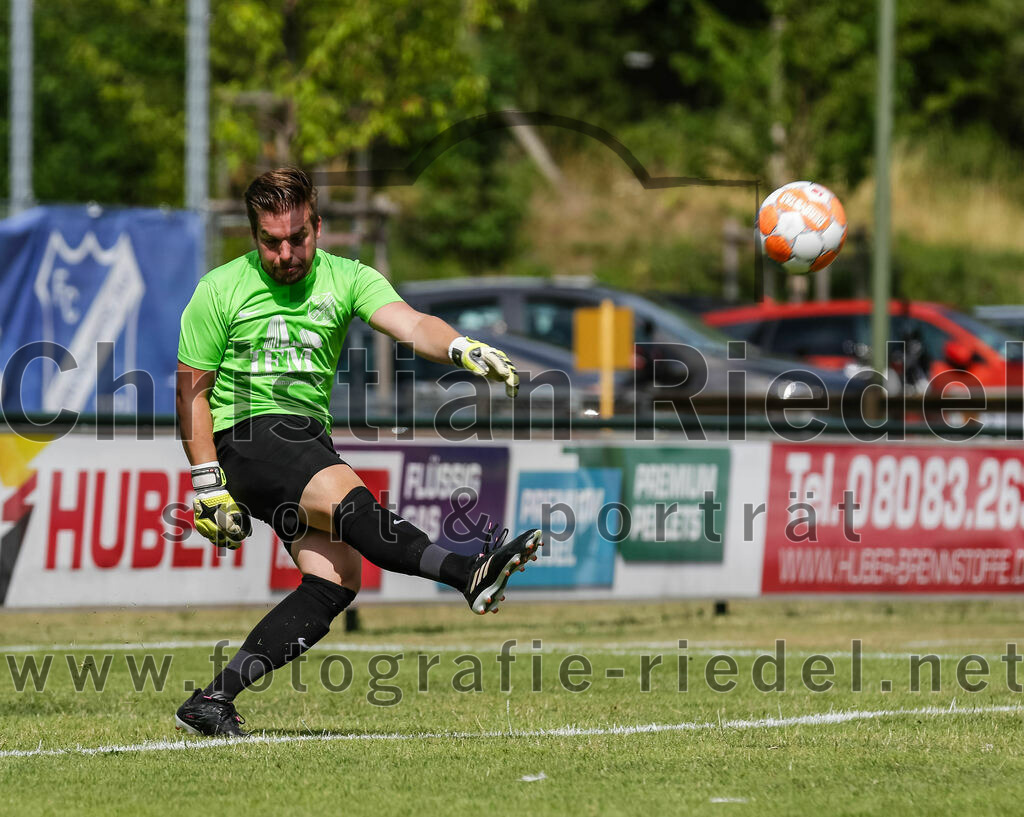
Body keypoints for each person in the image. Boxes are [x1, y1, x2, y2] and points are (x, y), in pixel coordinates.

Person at [174, 167, 542, 737]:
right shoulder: (219, 290)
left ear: (318, 227)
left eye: (297, 236)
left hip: (304, 438)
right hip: (248, 436)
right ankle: (470, 571)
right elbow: (191, 391)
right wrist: (205, 482)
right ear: (254, 238)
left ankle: (214, 699)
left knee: (337, 578)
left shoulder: (347, 277)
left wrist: (460, 345)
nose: (286, 252)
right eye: (271, 242)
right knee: (355, 506)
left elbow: (412, 324)